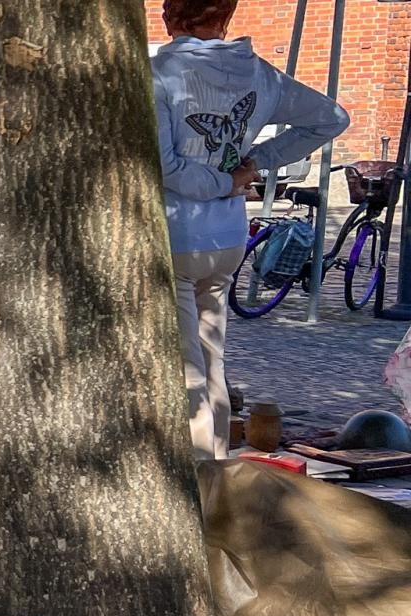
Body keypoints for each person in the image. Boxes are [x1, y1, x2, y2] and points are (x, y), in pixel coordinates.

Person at [153, 0, 348, 458]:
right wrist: (256, 163)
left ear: (172, 16)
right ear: (226, 16)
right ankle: (217, 459)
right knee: (212, 356)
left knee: (188, 368)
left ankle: (203, 476)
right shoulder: (259, 74)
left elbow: (169, 167)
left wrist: (232, 177)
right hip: (227, 236)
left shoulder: (158, 73)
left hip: (176, 232)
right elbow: (332, 118)